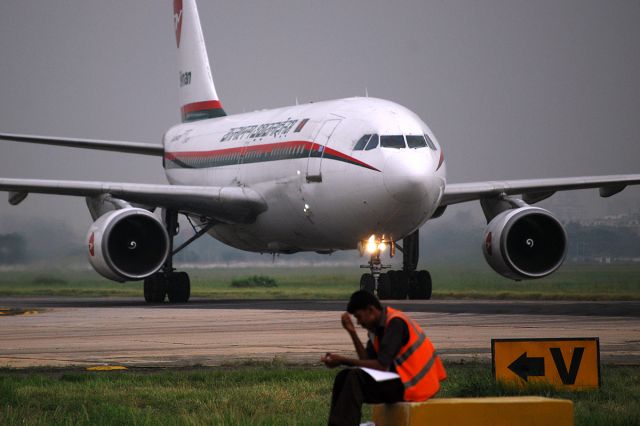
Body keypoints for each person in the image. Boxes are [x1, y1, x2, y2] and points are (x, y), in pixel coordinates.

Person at [321, 290, 446, 426]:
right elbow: (367, 362)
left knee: (355, 377)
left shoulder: (395, 323)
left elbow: (381, 365)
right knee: (343, 376)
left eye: (359, 317)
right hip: (402, 381)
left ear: (371, 310)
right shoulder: (377, 329)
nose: (359, 322)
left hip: (415, 386)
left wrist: (343, 360)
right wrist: (352, 333)